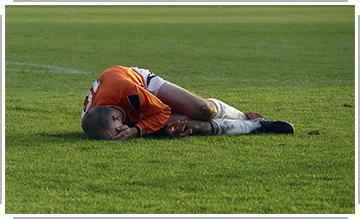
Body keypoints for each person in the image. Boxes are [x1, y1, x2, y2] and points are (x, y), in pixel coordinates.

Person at [81, 66, 294, 140]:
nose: (119, 137)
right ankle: (258, 126)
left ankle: (242, 116)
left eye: (118, 132)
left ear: (117, 118)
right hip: (131, 109)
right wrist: (161, 131)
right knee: (188, 126)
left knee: (203, 109)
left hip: (144, 85)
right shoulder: (92, 121)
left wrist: (136, 131)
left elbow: (162, 111)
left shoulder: (129, 92)